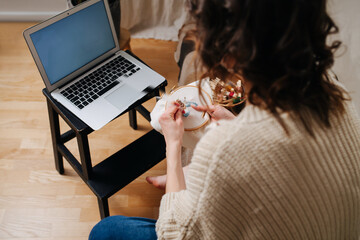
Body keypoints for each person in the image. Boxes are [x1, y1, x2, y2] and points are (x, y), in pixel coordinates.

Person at [89, 0, 360, 239]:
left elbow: (174, 234)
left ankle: (179, 179)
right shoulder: (337, 93)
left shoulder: (223, 148)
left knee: (105, 230)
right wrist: (232, 123)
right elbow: (291, 156)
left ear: (228, 52)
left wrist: (173, 146)